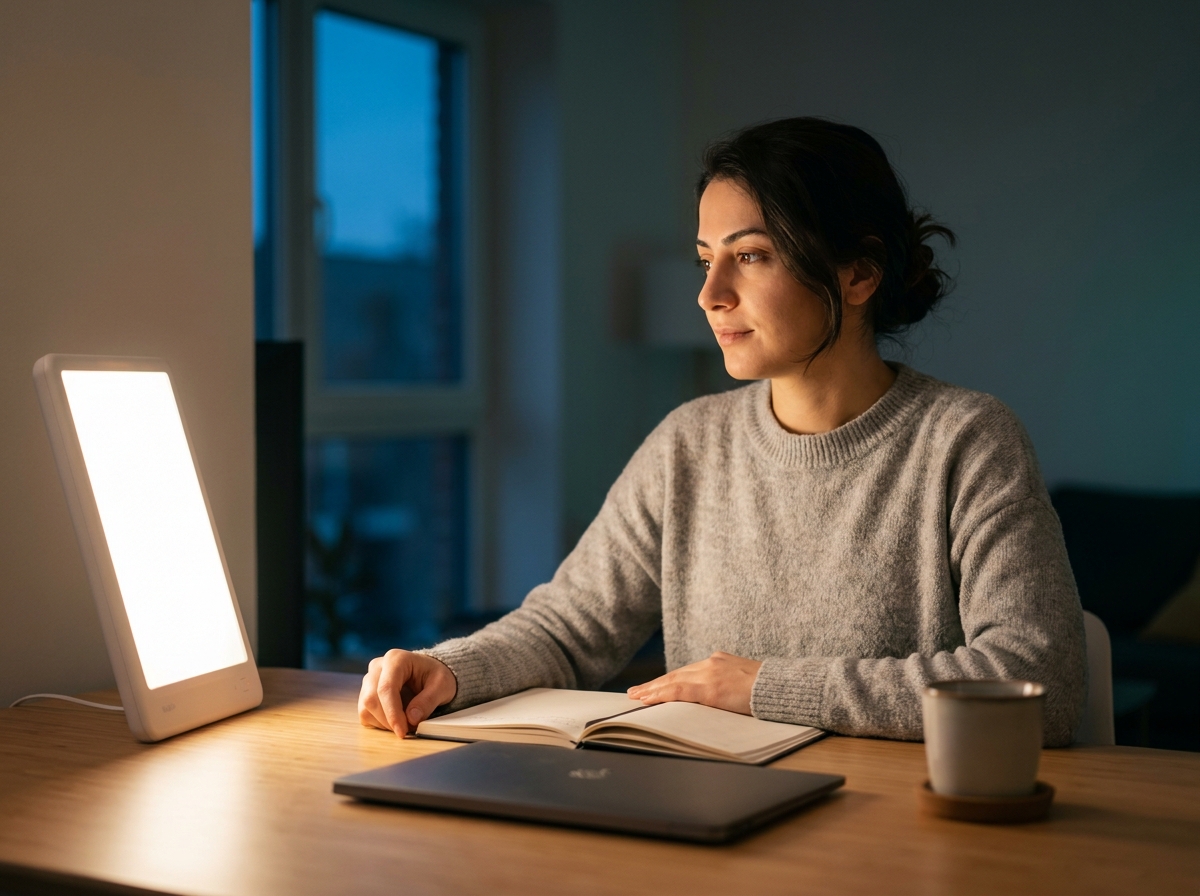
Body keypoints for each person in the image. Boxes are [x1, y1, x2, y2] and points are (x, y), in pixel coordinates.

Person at [358, 117, 1087, 747]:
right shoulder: (689, 443)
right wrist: (450, 668)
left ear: (859, 273)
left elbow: (1038, 680)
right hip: (710, 820)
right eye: (707, 260)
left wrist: (767, 688)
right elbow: (569, 628)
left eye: (751, 256)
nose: (710, 296)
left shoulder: (968, 440)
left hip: (893, 834)